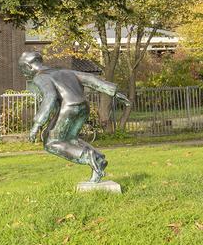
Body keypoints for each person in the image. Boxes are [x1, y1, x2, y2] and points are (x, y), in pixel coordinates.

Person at [20, 51, 128, 183]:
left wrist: (37, 124)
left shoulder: (40, 77)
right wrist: (114, 91)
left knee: (51, 143)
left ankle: (90, 157)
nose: (24, 74)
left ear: (28, 66)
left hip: (69, 108)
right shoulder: (64, 71)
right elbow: (91, 79)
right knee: (70, 139)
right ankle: (99, 159)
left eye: (22, 70)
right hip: (83, 107)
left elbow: (50, 97)